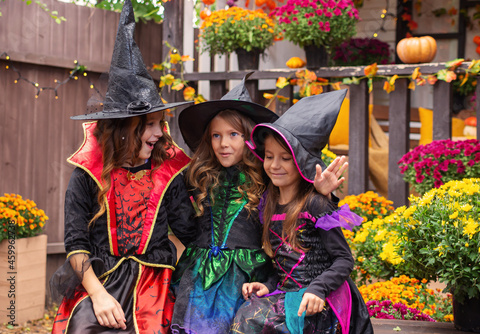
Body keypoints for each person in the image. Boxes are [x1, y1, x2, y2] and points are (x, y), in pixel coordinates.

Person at [50, 1, 196, 332]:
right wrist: (99, 297)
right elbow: (76, 243)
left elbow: (192, 233)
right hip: (99, 282)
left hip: (156, 288)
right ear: (124, 128)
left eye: (162, 123)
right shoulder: (86, 175)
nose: (161, 133)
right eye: (151, 124)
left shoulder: (168, 173)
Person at [170, 74, 348, 334]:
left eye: (233, 134)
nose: (224, 143)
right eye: (216, 135)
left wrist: (324, 194)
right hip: (201, 270)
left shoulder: (265, 176)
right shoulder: (202, 175)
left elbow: (297, 197)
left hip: (246, 272)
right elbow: (182, 218)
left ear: (249, 139)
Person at [230, 90, 374, 334]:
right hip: (288, 294)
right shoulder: (268, 205)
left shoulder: (316, 205)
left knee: (252, 322)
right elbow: (283, 265)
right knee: (244, 316)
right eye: (269, 156)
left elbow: (344, 259)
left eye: (285, 158)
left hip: (321, 299)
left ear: (301, 162)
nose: (275, 165)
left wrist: (318, 289)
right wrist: (267, 285)